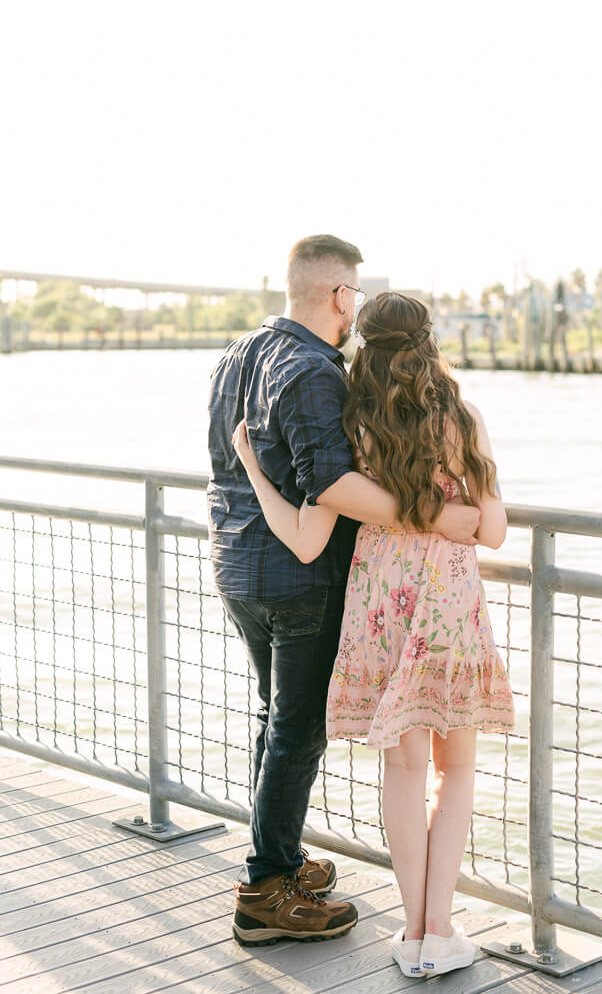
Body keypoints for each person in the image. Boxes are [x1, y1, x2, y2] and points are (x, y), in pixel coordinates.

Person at [207, 237, 481, 948]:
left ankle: (283, 860)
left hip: (237, 564)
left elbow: (229, 461)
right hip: (298, 578)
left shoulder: (237, 354)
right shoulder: (316, 372)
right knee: (296, 733)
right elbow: (332, 485)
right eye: (352, 294)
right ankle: (266, 888)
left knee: (276, 722)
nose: (353, 307)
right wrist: (438, 519)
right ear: (338, 297)